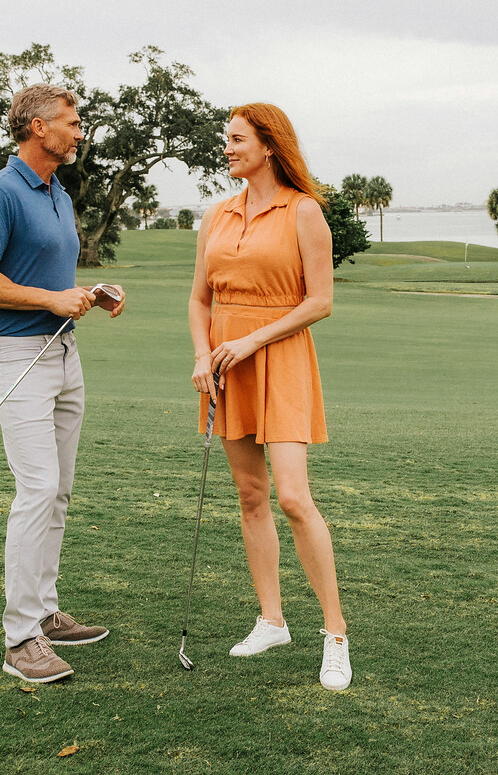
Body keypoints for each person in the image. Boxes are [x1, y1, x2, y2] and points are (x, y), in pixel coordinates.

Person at [0, 83, 126, 684]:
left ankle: (47, 613)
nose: (79, 131)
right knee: (37, 488)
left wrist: (90, 295)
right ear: (35, 127)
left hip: (62, 352)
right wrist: (52, 298)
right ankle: (19, 638)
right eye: (70, 122)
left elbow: (53, 276)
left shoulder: (58, 194)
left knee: (59, 490)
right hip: (14, 354)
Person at [188, 103, 352, 691]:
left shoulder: (304, 211)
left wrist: (253, 338)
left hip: (277, 359)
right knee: (250, 496)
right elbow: (200, 299)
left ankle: (335, 634)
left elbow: (320, 302)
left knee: (291, 496)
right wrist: (203, 355)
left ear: (269, 146)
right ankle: (271, 619)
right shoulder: (218, 214)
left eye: (236, 140)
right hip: (224, 366)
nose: (227, 148)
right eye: (226, 140)